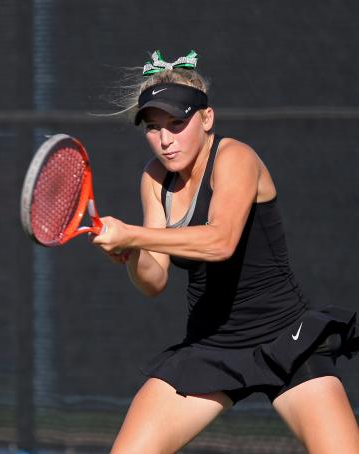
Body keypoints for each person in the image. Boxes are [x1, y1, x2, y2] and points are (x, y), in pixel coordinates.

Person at [91, 50, 359, 453]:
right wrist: (132, 256)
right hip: (210, 346)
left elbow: (220, 241)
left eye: (177, 124)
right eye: (153, 127)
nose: (165, 139)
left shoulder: (236, 157)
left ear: (207, 119)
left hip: (286, 336)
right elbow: (153, 281)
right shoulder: (154, 177)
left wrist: (133, 235)